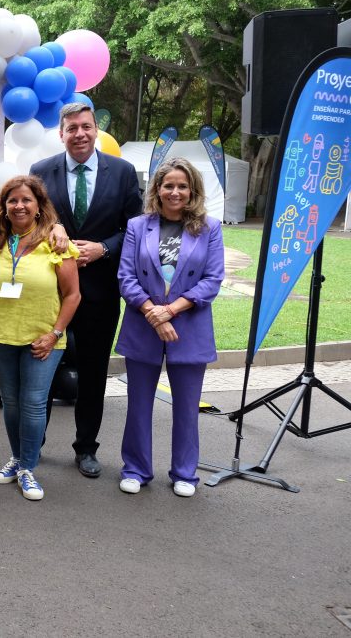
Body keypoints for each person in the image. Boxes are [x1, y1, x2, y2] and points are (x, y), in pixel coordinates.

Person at [30, 102, 142, 478]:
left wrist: (104, 248)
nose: (79, 134)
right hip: (49, 292)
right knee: (41, 369)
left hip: (100, 291)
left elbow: (137, 229)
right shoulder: (40, 172)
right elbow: (29, 221)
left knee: (93, 374)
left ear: (97, 130)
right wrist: (51, 228)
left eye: (85, 126)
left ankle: (86, 449)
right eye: (71, 128)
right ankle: (32, 444)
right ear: (61, 134)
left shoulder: (123, 173)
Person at [116, 158, 224, 498]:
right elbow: (126, 277)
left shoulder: (210, 228)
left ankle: (184, 473)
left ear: (192, 190)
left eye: (181, 186)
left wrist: (170, 311)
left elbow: (213, 280)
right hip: (142, 325)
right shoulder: (137, 226)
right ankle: (135, 469)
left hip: (188, 327)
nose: (175, 192)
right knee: (138, 404)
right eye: (168, 185)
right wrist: (152, 312)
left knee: (188, 407)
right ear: (157, 189)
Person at [0, 176, 80, 501]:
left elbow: (73, 295)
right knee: (10, 402)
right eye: (13, 200)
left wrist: (54, 334)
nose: (19, 206)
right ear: (5, 207)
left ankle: (28, 468)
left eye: (26, 200)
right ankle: (16, 459)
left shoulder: (57, 244)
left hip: (43, 339)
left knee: (34, 404)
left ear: (38, 206)